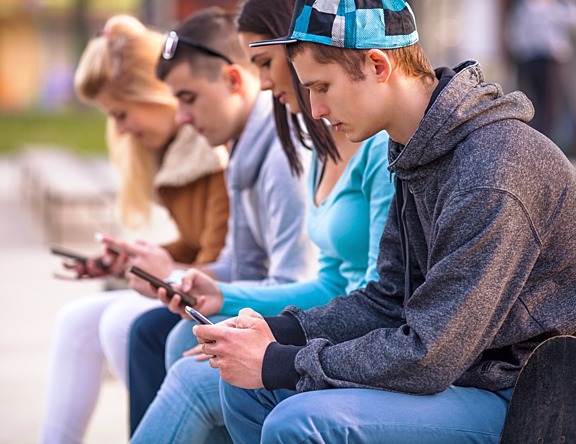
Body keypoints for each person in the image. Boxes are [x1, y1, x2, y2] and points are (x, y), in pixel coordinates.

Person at [195, 1, 576, 442]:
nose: (315, 109)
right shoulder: (415, 148)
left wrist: (280, 361)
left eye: (322, 86)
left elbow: (430, 354)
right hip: (468, 372)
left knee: (301, 421)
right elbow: (388, 300)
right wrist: (279, 330)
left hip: (531, 397)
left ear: (378, 64)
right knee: (247, 390)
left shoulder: (493, 172)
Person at [128, 0, 393, 441]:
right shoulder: (322, 147)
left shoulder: (376, 145)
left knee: (196, 376)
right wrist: (222, 295)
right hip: (333, 321)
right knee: (186, 344)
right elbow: (328, 282)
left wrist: (269, 343)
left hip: (359, 341)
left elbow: (379, 298)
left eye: (266, 62)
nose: (264, 80)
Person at [122, 6, 318, 436]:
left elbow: (297, 281)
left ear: (233, 80)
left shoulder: (288, 155)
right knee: (168, 335)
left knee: (184, 358)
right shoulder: (245, 147)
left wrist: (185, 278)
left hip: (306, 329)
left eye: (188, 98)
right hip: (275, 317)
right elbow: (237, 261)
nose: (182, 118)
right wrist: (182, 278)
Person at [38, 15, 230, 444]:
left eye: (122, 113)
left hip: (233, 295)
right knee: (77, 319)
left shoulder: (210, 151)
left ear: (155, 93)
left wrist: (161, 267)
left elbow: (221, 262)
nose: (121, 129)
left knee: (122, 323)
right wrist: (131, 261)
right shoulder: (174, 155)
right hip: (206, 282)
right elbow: (196, 244)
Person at [505, 0, 576, 146]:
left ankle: (546, 141)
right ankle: (533, 138)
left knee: (550, 103)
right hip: (530, 58)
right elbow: (518, 30)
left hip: (552, 59)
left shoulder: (559, 6)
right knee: (532, 100)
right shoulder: (527, 6)